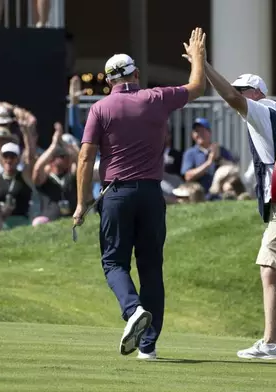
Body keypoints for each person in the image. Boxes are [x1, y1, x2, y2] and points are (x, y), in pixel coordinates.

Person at [72, 28, 207, 360]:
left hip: (116, 194)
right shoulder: (156, 97)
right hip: (151, 194)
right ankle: (148, 346)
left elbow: (86, 157)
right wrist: (197, 57)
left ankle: (132, 310)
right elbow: (197, 86)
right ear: (136, 74)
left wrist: (80, 203)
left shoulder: (100, 109)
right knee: (151, 268)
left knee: (114, 261)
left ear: (109, 81)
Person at [195, 53, 276, 361]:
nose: (237, 96)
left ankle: (271, 345)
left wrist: (203, 65)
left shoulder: (260, 111)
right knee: (268, 268)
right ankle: (270, 343)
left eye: (243, 90)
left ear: (257, 93)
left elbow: (231, 97)